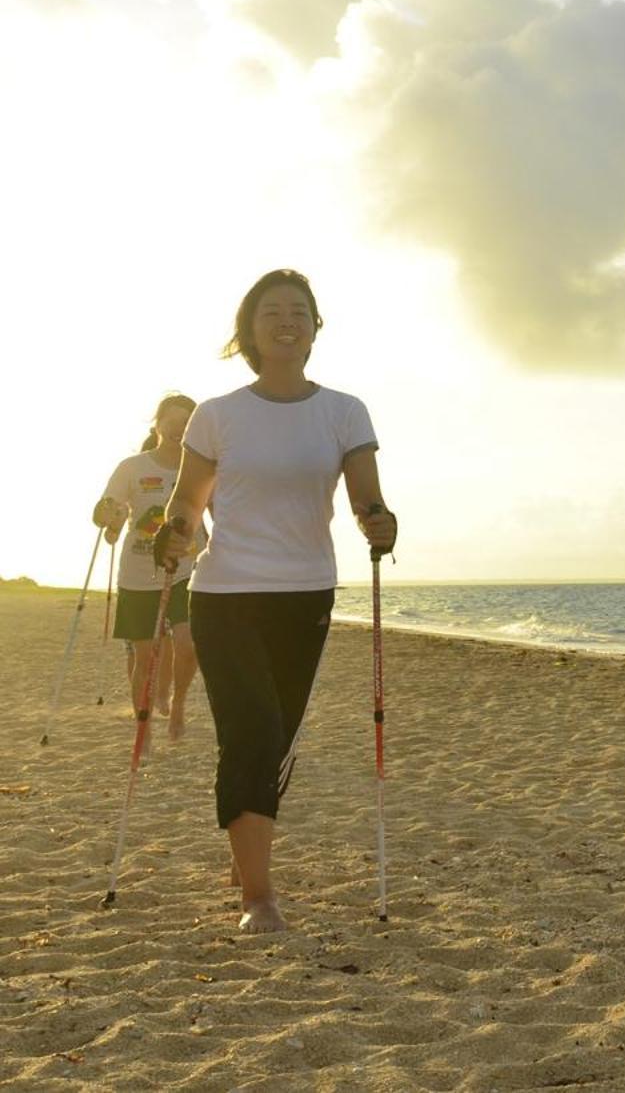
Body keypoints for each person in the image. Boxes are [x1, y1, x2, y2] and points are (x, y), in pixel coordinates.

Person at [154, 269, 397, 934]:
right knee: (252, 729)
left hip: (306, 592)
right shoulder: (218, 414)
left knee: (278, 736)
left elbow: (366, 499)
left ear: (317, 326)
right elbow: (188, 502)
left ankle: (246, 846)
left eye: (300, 310)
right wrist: (173, 533)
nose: (287, 319)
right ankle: (258, 898)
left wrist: (382, 522)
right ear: (249, 328)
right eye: (272, 310)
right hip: (226, 592)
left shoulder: (345, 411)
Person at [94, 393, 206, 739]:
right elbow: (104, 510)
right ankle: (142, 728)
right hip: (139, 576)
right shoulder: (133, 467)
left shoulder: (203, 468)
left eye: (186, 426)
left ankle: (178, 704)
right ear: (156, 425)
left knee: (189, 645)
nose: (178, 431)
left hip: (188, 572)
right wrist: (109, 516)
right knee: (145, 656)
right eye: (172, 424)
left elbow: (225, 512)